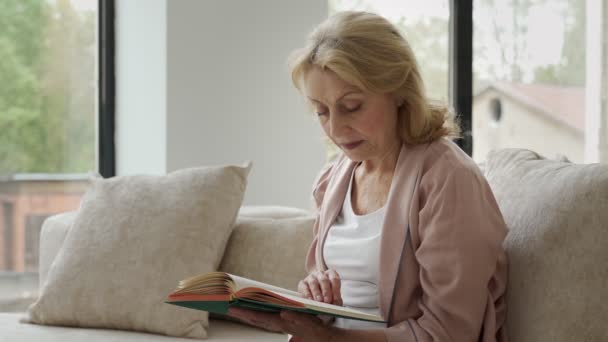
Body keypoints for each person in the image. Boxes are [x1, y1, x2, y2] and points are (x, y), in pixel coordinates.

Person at [228, 11, 509, 342]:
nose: (334, 128)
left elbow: (447, 333)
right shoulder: (332, 180)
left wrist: (331, 339)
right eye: (321, 111)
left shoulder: (449, 180)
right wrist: (317, 300)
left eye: (352, 106)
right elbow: (337, 306)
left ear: (399, 91)